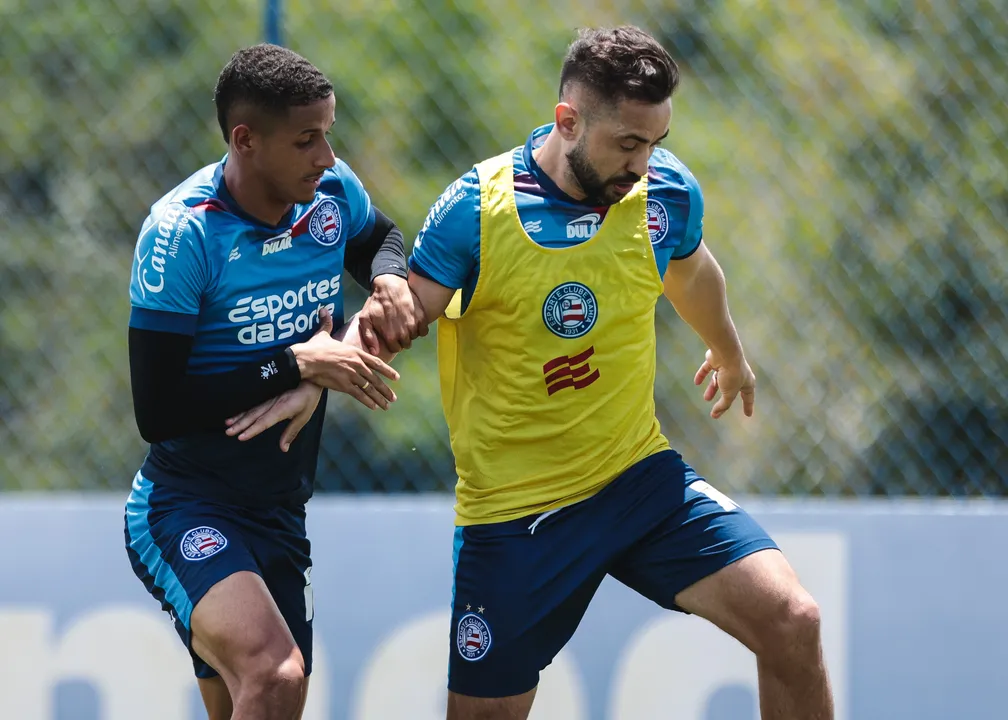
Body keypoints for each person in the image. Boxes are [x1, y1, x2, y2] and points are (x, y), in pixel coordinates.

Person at [231, 25, 835, 720]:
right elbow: (397, 319)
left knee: (793, 618)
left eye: (656, 144)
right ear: (568, 121)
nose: (642, 164)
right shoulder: (478, 213)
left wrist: (728, 350)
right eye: (628, 144)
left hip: (639, 482)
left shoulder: (664, 195)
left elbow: (692, 272)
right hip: (516, 520)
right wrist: (316, 373)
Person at [123, 43, 425, 720]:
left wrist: (387, 277)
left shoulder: (329, 195)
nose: (326, 156)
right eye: (307, 140)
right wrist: (297, 364)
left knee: (258, 699)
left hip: (280, 512)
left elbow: (379, 235)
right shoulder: (182, 236)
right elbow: (158, 409)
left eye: (328, 134)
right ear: (245, 140)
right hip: (187, 506)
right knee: (276, 673)